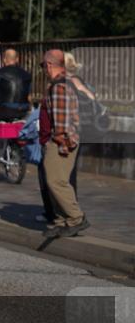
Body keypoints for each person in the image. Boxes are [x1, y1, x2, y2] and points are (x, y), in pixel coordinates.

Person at [37, 51, 95, 223]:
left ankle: (75, 217)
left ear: (49, 65)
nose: (44, 70)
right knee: (58, 181)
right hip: (61, 140)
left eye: (43, 66)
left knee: (56, 182)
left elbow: (61, 122)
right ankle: (62, 221)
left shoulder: (59, 87)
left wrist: (60, 144)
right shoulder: (62, 84)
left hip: (59, 142)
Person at [0, 48, 31, 171]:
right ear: (17, 59)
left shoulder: (0, 73)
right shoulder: (27, 75)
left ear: (4, 60)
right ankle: (12, 146)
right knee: (14, 126)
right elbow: (29, 96)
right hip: (23, 110)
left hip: (6, 109)